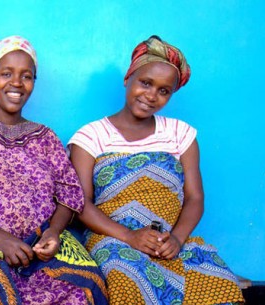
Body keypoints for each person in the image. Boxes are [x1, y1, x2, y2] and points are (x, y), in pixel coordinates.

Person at [68, 35, 245, 305]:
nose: (151, 95)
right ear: (128, 78)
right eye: (145, 83)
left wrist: (177, 238)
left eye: (164, 91)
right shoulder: (91, 136)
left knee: (219, 281)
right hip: (112, 239)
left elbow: (195, 198)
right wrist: (130, 236)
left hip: (168, 241)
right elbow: (80, 203)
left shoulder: (180, 134)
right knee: (124, 275)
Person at [0, 35, 107, 305]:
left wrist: (54, 232)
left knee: (88, 286)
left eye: (26, 76)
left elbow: (69, 192)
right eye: (7, 73)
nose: (16, 83)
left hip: (43, 243)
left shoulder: (45, 136)